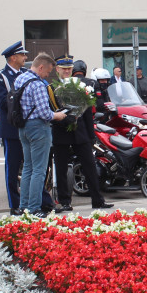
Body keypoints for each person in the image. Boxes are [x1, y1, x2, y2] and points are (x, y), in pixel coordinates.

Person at [51, 62, 113, 214]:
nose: (66, 71)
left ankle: (97, 200)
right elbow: (51, 111)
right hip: (61, 133)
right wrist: (66, 119)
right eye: (63, 69)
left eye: (69, 69)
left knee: (90, 166)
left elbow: (86, 113)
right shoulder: (52, 87)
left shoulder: (81, 86)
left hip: (81, 133)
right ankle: (65, 202)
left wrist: (91, 136)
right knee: (61, 169)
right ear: (57, 69)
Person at [14, 53, 67, 217]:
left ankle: (23, 206)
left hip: (23, 127)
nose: (47, 75)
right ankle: (35, 208)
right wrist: (59, 115)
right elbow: (45, 113)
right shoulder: (37, 85)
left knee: (28, 168)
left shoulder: (20, 79)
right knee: (39, 170)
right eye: (48, 71)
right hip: (38, 128)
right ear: (41, 67)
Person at [0, 41, 28, 212]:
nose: (25, 58)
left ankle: (32, 200)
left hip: (27, 126)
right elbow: (3, 102)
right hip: (11, 128)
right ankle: (14, 205)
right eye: (22, 55)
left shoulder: (26, 73)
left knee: (31, 165)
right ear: (13, 57)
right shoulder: (1, 76)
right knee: (12, 168)